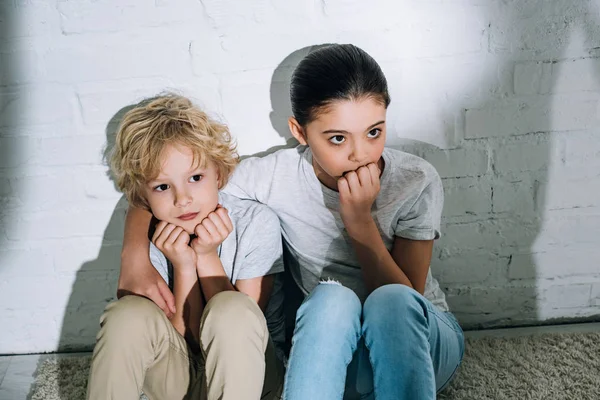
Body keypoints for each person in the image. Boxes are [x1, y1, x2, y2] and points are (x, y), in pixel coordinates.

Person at [119, 44, 464, 399]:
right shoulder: (276, 176)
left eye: (374, 132)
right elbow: (174, 184)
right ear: (300, 132)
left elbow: (407, 298)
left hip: (419, 345)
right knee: (331, 299)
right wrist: (133, 257)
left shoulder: (415, 180)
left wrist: (359, 222)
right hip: (332, 349)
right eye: (337, 138)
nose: (360, 153)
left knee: (391, 302)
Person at [86, 94, 285, 400]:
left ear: (218, 174)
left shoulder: (257, 223)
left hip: (251, 379)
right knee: (127, 316)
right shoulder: (155, 237)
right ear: (144, 195)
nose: (182, 199)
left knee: (231, 309)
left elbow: (237, 334)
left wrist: (205, 256)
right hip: (180, 379)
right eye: (163, 187)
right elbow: (187, 341)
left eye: (195, 177)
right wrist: (183, 266)